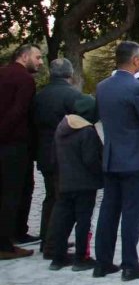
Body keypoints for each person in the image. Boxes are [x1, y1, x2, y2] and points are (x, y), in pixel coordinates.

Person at [93, 41, 139, 280]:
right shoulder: (137, 88)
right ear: (136, 60)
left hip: (111, 156)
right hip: (134, 158)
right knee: (131, 212)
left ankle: (102, 262)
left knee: (108, 210)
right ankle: (130, 264)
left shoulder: (102, 87)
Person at [31, 57, 96, 257]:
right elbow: (91, 113)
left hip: (44, 152)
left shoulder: (39, 96)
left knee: (51, 197)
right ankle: (53, 245)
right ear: (70, 74)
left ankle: (48, 239)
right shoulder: (72, 95)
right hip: (67, 156)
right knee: (64, 203)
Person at [47, 100, 102, 272]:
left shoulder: (62, 128)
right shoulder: (87, 132)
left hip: (64, 181)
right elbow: (91, 160)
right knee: (83, 221)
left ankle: (57, 257)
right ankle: (80, 258)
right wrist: (102, 176)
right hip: (84, 183)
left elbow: (53, 157)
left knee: (63, 220)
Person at [0, 44, 43, 260]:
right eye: (37, 57)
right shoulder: (24, 79)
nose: (40, 62)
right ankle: (6, 243)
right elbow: (19, 111)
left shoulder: (3, 73)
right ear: (24, 56)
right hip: (14, 144)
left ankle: (12, 235)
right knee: (12, 193)